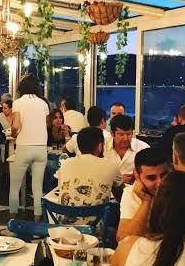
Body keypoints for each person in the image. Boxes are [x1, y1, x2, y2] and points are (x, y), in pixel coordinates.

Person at [9, 74, 49, 220]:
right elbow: (45, 124)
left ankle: (12, 220)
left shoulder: (18, 103)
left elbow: (15, 125)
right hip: (41, 148)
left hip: (24, 147)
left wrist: (14, 134)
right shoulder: (43, 103)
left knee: (15, 187)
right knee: (37, 188)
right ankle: (37, 221)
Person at [116, 148, 171, 242]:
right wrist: (146, 201)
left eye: (164, 175)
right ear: (137, 176)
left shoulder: (178, 190)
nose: (160, 183)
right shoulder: (130, 193)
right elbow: (123, 239)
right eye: (151, 178)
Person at [57, 128, 122, 206]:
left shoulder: (65, 164)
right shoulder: (111, 166)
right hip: (99, 213)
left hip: (63, 213)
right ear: (100, 146)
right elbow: (121, 197)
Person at [104, 114, 148, 184]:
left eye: (128, 134)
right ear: (112, 133)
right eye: (121, 134)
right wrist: (116, 179)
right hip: (106, 188)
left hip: (134, 189)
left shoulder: (143, 148)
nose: (125, 138)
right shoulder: (103, 147)